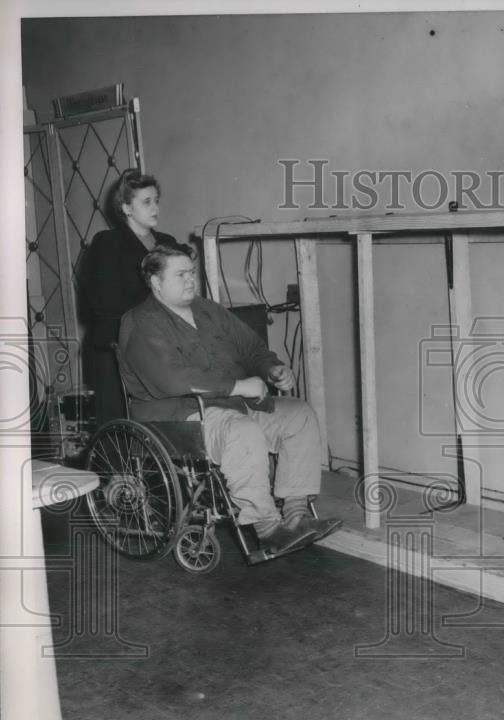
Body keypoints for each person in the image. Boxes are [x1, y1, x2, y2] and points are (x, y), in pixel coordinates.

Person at [118, 244, 340, 556]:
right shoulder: (141, 322)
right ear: (155, 282)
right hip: (178, 415)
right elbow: (172, 380)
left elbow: (251, 348)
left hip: (230, 405)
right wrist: (238, 386)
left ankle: (296, 514)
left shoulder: (208, 310)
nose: (190, 280)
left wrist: (272, 368)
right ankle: (266, 526)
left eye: (191, 273)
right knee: (242, 431)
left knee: (299, 415)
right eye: (180, 274)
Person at [78, 169, 178, 426]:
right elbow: (101, 302)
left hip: (162, 343)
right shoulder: (107, 243)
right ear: (126, 208)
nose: (155, 207)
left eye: (156, 200)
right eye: (146, 202)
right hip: (116, 345)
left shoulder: (168, 243)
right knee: (118, 424)